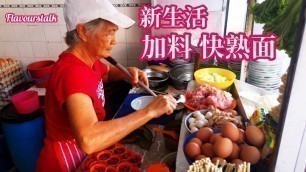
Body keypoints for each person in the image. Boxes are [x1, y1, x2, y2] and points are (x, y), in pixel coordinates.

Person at [36, 0, 177, 171]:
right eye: (110, 33)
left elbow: (107, 73)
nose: (114, 41)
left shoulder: (88, 61)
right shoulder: (71, 73)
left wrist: (128, 72)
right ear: (82, 31)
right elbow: (88, 139)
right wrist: (150, 111)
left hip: (81, 151)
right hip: (65, 159)